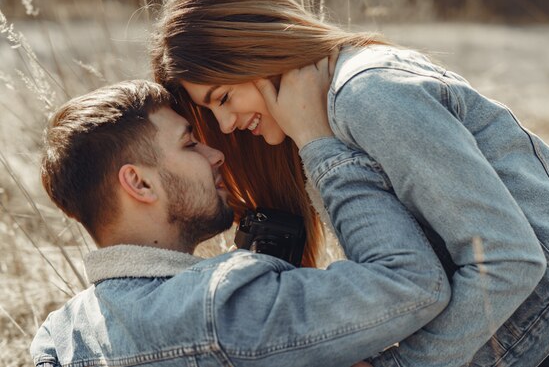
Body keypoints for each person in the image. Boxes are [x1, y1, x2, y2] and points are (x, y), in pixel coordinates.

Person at [151, 0, 549, 367]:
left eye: (223, 98)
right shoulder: (320, 119)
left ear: (253, 51)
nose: (226, 124)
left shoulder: (369, 97)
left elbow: (506, 258)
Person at [30, 79, 451, 367]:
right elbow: (413, 282)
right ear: (139, 182)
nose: (216, 156)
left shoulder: (58, 336)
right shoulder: (225, 303)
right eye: (190, 143)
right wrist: (317, 141)